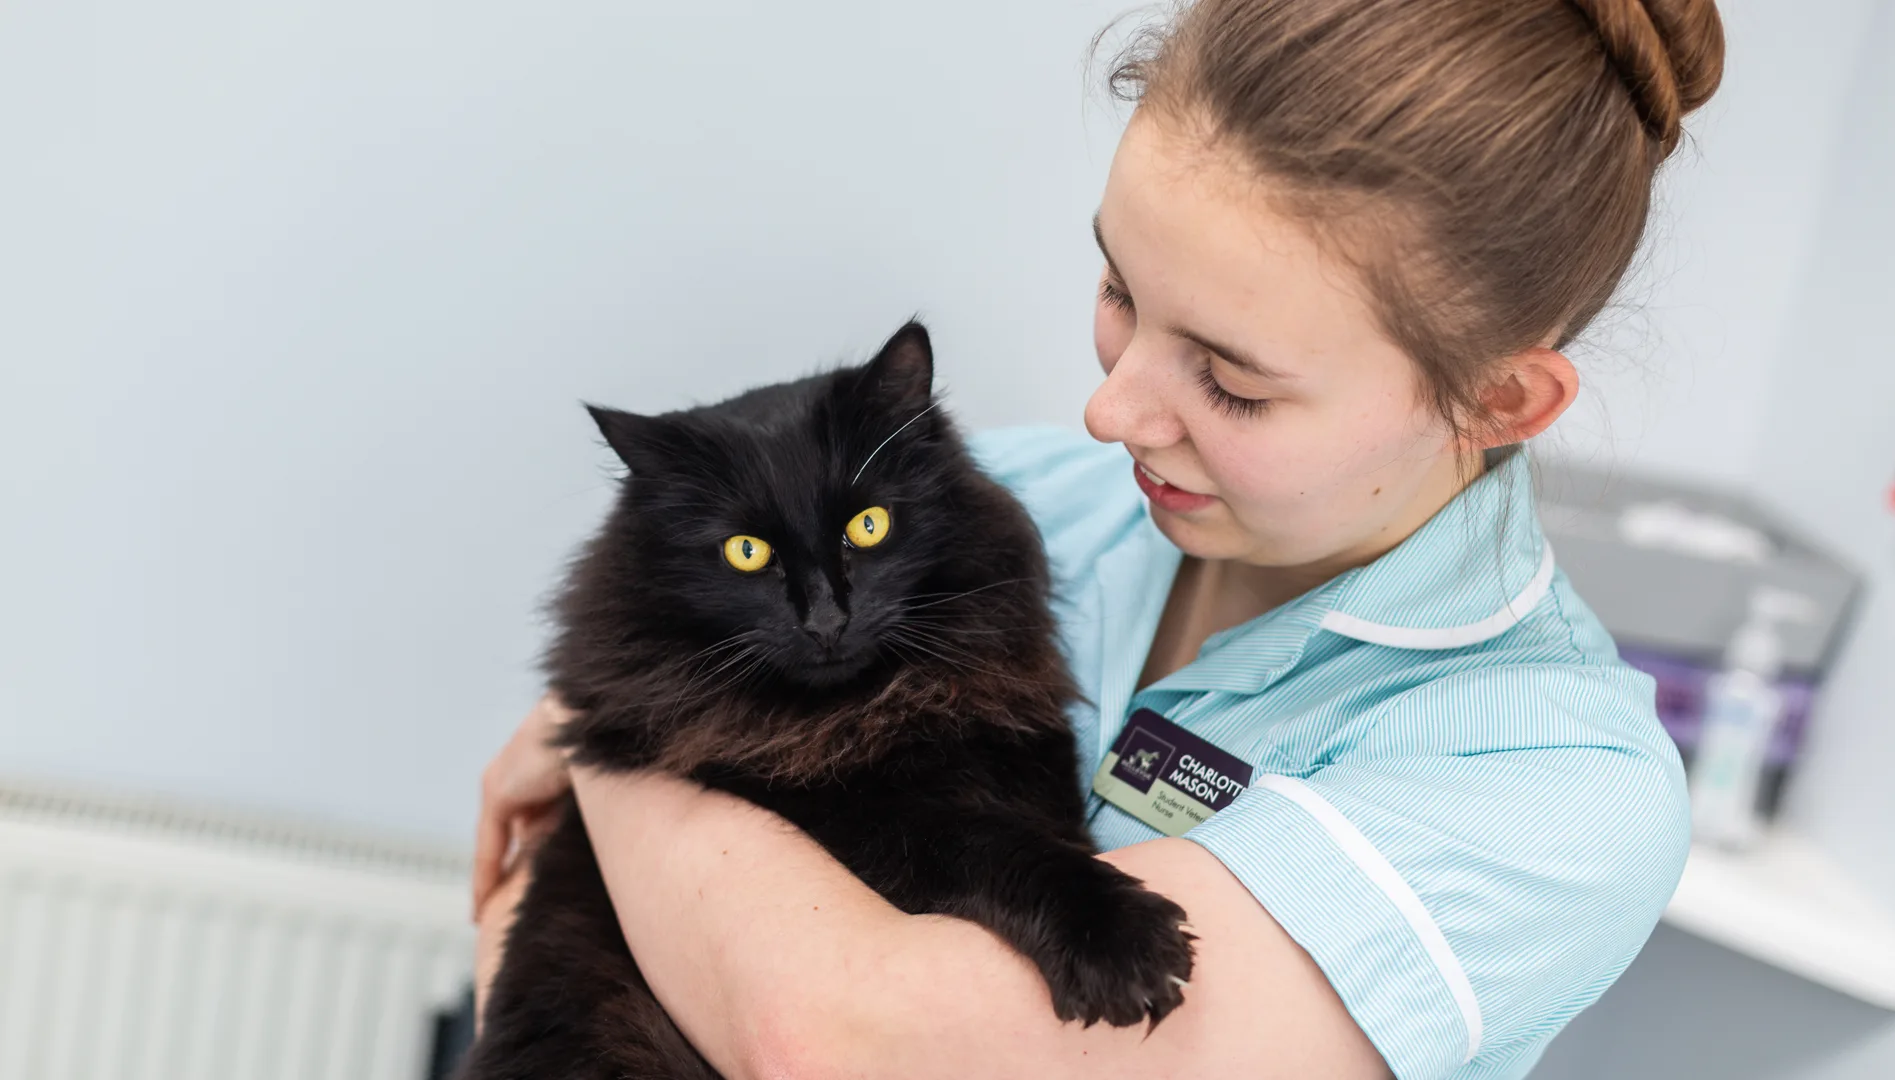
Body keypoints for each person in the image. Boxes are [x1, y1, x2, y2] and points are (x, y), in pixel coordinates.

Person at [469, 1, 1725, 1076]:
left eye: (1232, 382)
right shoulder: (1025, 496)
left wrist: (609, 757)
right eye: (1122, 290)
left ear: (1497, 403)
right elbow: (531, 913)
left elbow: (836, 1044)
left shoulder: (1556, 783)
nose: (1108, 410)